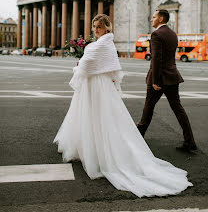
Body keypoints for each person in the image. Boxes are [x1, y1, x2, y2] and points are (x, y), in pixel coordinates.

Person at [54, 14, 192, 198]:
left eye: (99, 27)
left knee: (101, 116)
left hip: (101, 85)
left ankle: (110, 145)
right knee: (158, 110)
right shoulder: (171, 34)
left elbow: (88, 65)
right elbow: (111, 67)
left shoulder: (103, 44)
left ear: (106, 28)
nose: (96, 30)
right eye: (94, 26)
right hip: (161, 77)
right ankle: (186, 139)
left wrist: (79, 65)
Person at [137, 9, 197, 152]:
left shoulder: (156, 34)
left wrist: (156, 80)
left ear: (161, 18)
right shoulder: (172, 34)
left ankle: (138, 136)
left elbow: (156, 58)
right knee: (178, 109)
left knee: (148, 107)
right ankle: (189, 140)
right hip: (172, 76)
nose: (151, 19)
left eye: (153, 17)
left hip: (159, 77)